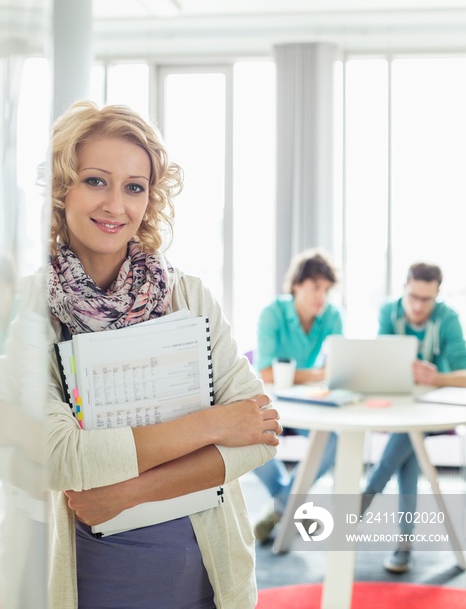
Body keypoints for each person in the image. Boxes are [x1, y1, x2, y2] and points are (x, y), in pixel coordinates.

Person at [43, 101, 282, 609]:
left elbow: (260, 432)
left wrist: (127, 492)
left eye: (134, 186)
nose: (116, 205)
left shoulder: (187, 295)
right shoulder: (28, 310)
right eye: (95, 180)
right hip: (93, 574)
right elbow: (61, 457)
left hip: (205, 569)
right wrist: (214, 424)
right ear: (63, 187)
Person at [362, 262, 466, 574]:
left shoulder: (447, 320)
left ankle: (367, 497)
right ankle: (403, 544)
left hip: (434, 412)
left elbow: (463, 375)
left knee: (407, 439)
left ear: (437, 296)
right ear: (405, 289)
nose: (418, 306)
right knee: (408, 452)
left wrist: (438, 378)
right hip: (397, 410)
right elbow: (379, 363)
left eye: (427, 299)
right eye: (413, 297)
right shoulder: (388, 313)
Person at [252, 248, 343, 543]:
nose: (322, 296)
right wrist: (315, 374)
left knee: (333, 440)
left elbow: (338, 366)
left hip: (306, 400)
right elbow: (265, 371)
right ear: (296, 285)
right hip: (272, 400)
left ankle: (283, 503)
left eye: (327, 290)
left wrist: (314, 376)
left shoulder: (331, 316)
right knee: (249, 438)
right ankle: (291, 503)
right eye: (316, 287)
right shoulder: (272, 313)